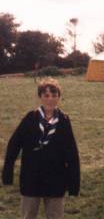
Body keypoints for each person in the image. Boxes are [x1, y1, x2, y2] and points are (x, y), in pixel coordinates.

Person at [2, 77, 80, 219]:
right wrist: (8, 174)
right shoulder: (30, 118)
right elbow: (13, 145)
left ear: (59, 97)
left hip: (56, 179)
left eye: (54, 95)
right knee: (28, 216)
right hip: (31, 178)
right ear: (40, 97)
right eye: (46, 95)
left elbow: (72, 153)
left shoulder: (63, 121)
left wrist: (74, 183)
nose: (50, 99)